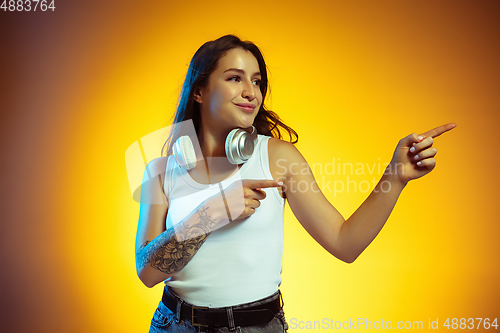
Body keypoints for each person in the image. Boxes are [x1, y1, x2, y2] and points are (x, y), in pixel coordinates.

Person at [134, 35, 456, 333]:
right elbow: (148, 273)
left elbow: (345, 244)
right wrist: (212, 213)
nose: (251, 92)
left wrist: (395, 177)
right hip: (173, 324)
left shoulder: (278, 158)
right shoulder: (161, 171)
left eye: (257, 81)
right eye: (235, 78)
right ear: (199, 91)